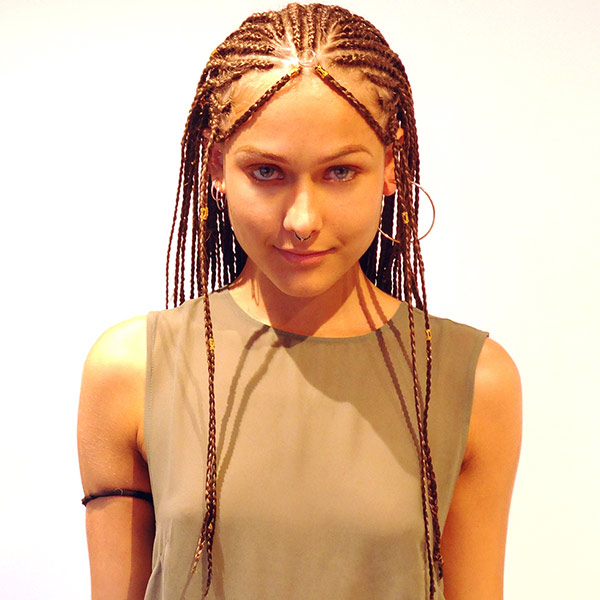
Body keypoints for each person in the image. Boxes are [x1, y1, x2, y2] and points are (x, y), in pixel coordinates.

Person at [77, 3, 522, 599]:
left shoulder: (472, 382)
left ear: (391, 165)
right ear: (216, 164)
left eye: (339, 173)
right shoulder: (132, 371)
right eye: (267, 172)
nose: (302, 220)